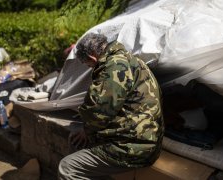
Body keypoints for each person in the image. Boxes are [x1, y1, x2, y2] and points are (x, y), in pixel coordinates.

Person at [58, 33, 164, 180]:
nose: (89, 67)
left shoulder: (114, 66)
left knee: (67, 167)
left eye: (88, 65)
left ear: (92, 57)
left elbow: (99, 112)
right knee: (77, 144)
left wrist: (86, 129)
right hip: (142, 140)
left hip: (133, 147)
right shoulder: (130, 59)